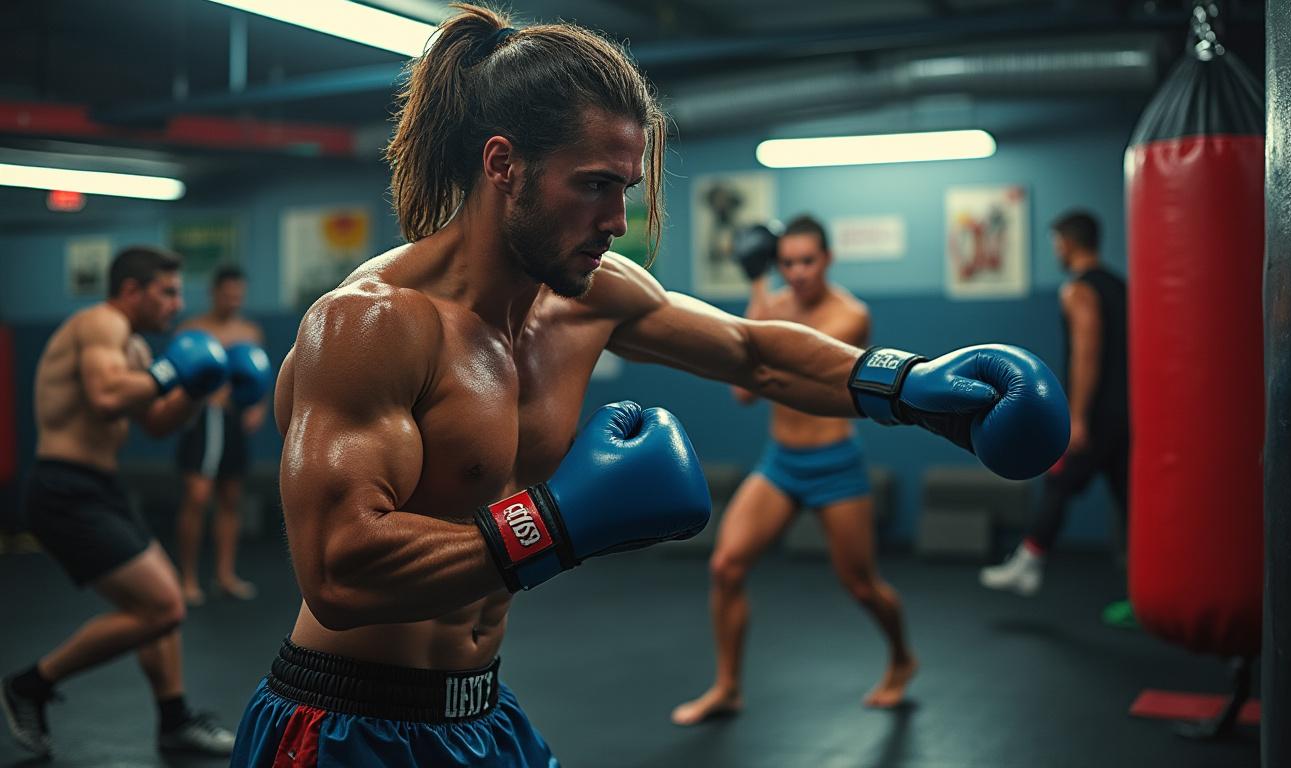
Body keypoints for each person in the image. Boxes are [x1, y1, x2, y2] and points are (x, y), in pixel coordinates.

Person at [229, 6, 1069, 766]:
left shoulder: (588, 298)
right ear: (504, 165)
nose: (616, 221)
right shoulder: (376, 324)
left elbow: (751, 352)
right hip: (343, 730)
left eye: (624, 189)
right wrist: (557, 524)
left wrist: (905, 384)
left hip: (481, 716)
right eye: (593, 185)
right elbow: (337, 575)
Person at [1, 246, 247, 757]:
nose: (177, 304)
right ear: (132, 290)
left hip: (101, 489)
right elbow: (107, 396)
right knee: (164, 605)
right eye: (168, 292)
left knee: (157, 607)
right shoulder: (100, 324)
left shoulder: (134, 348)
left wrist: (199, 387)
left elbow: (156, 423)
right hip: (64, 488)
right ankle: (31, 684)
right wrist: (174, 374)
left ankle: (175, 720)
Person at [672, 215, 916, 726]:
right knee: (726, 567)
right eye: (787, 263)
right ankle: (728, 687)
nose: (799, 272)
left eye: (807, 261)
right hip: (781, 462)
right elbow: (743, 391)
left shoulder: (850, 316)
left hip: (835, 464)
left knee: (861, 584)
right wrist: (758, 282)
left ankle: (901, 658)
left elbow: (779, 364)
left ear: (827, 259)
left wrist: (759, 315)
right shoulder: (772, 303)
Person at [980, 210, 1129, 598]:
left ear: (1065, 242)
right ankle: (1145, 591)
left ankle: (1028, 563)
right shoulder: (1121, 286)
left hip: (1097, 417)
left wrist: (1077, 418)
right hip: (1128, 413)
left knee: (1059, 482)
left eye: (1055, 243)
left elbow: (1087, 354)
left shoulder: (1078, 290)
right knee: (1129, 500)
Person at [174, 266, 268, 605]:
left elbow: (260, 378)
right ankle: (186, 579)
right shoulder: (192, 329)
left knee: (230, 498)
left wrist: (258, 406)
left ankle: (225, 576)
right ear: (214, 293)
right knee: (197, 498)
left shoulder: (250, 331)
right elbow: (177, 378)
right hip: (200, 421)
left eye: (238, 294)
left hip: (233, 423)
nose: (233, 300)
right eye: (227, 293)